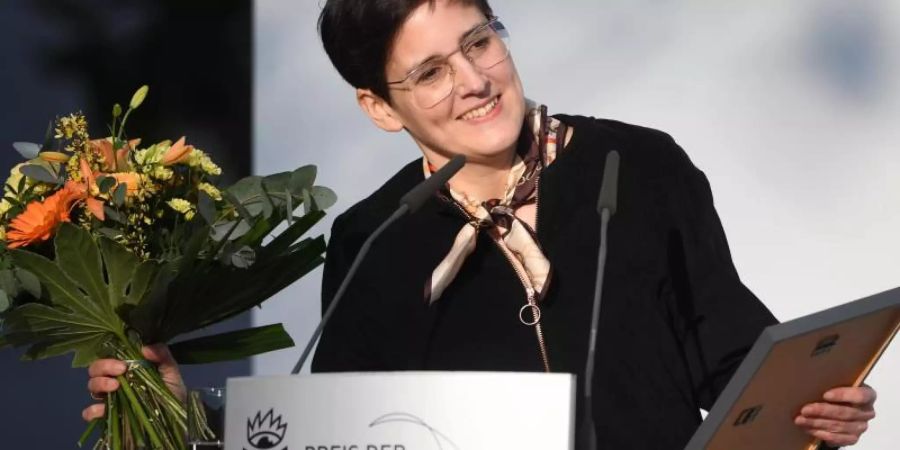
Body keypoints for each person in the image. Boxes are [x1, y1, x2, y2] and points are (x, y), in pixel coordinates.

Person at [85, 0, 878, 448]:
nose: (475, 82)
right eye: (430, 72)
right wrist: (186, 419)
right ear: (378, 108)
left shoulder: (635, 165)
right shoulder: (374, 241)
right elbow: (338, 433)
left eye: (480, 43)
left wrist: (814, 402)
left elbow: (731, 353)